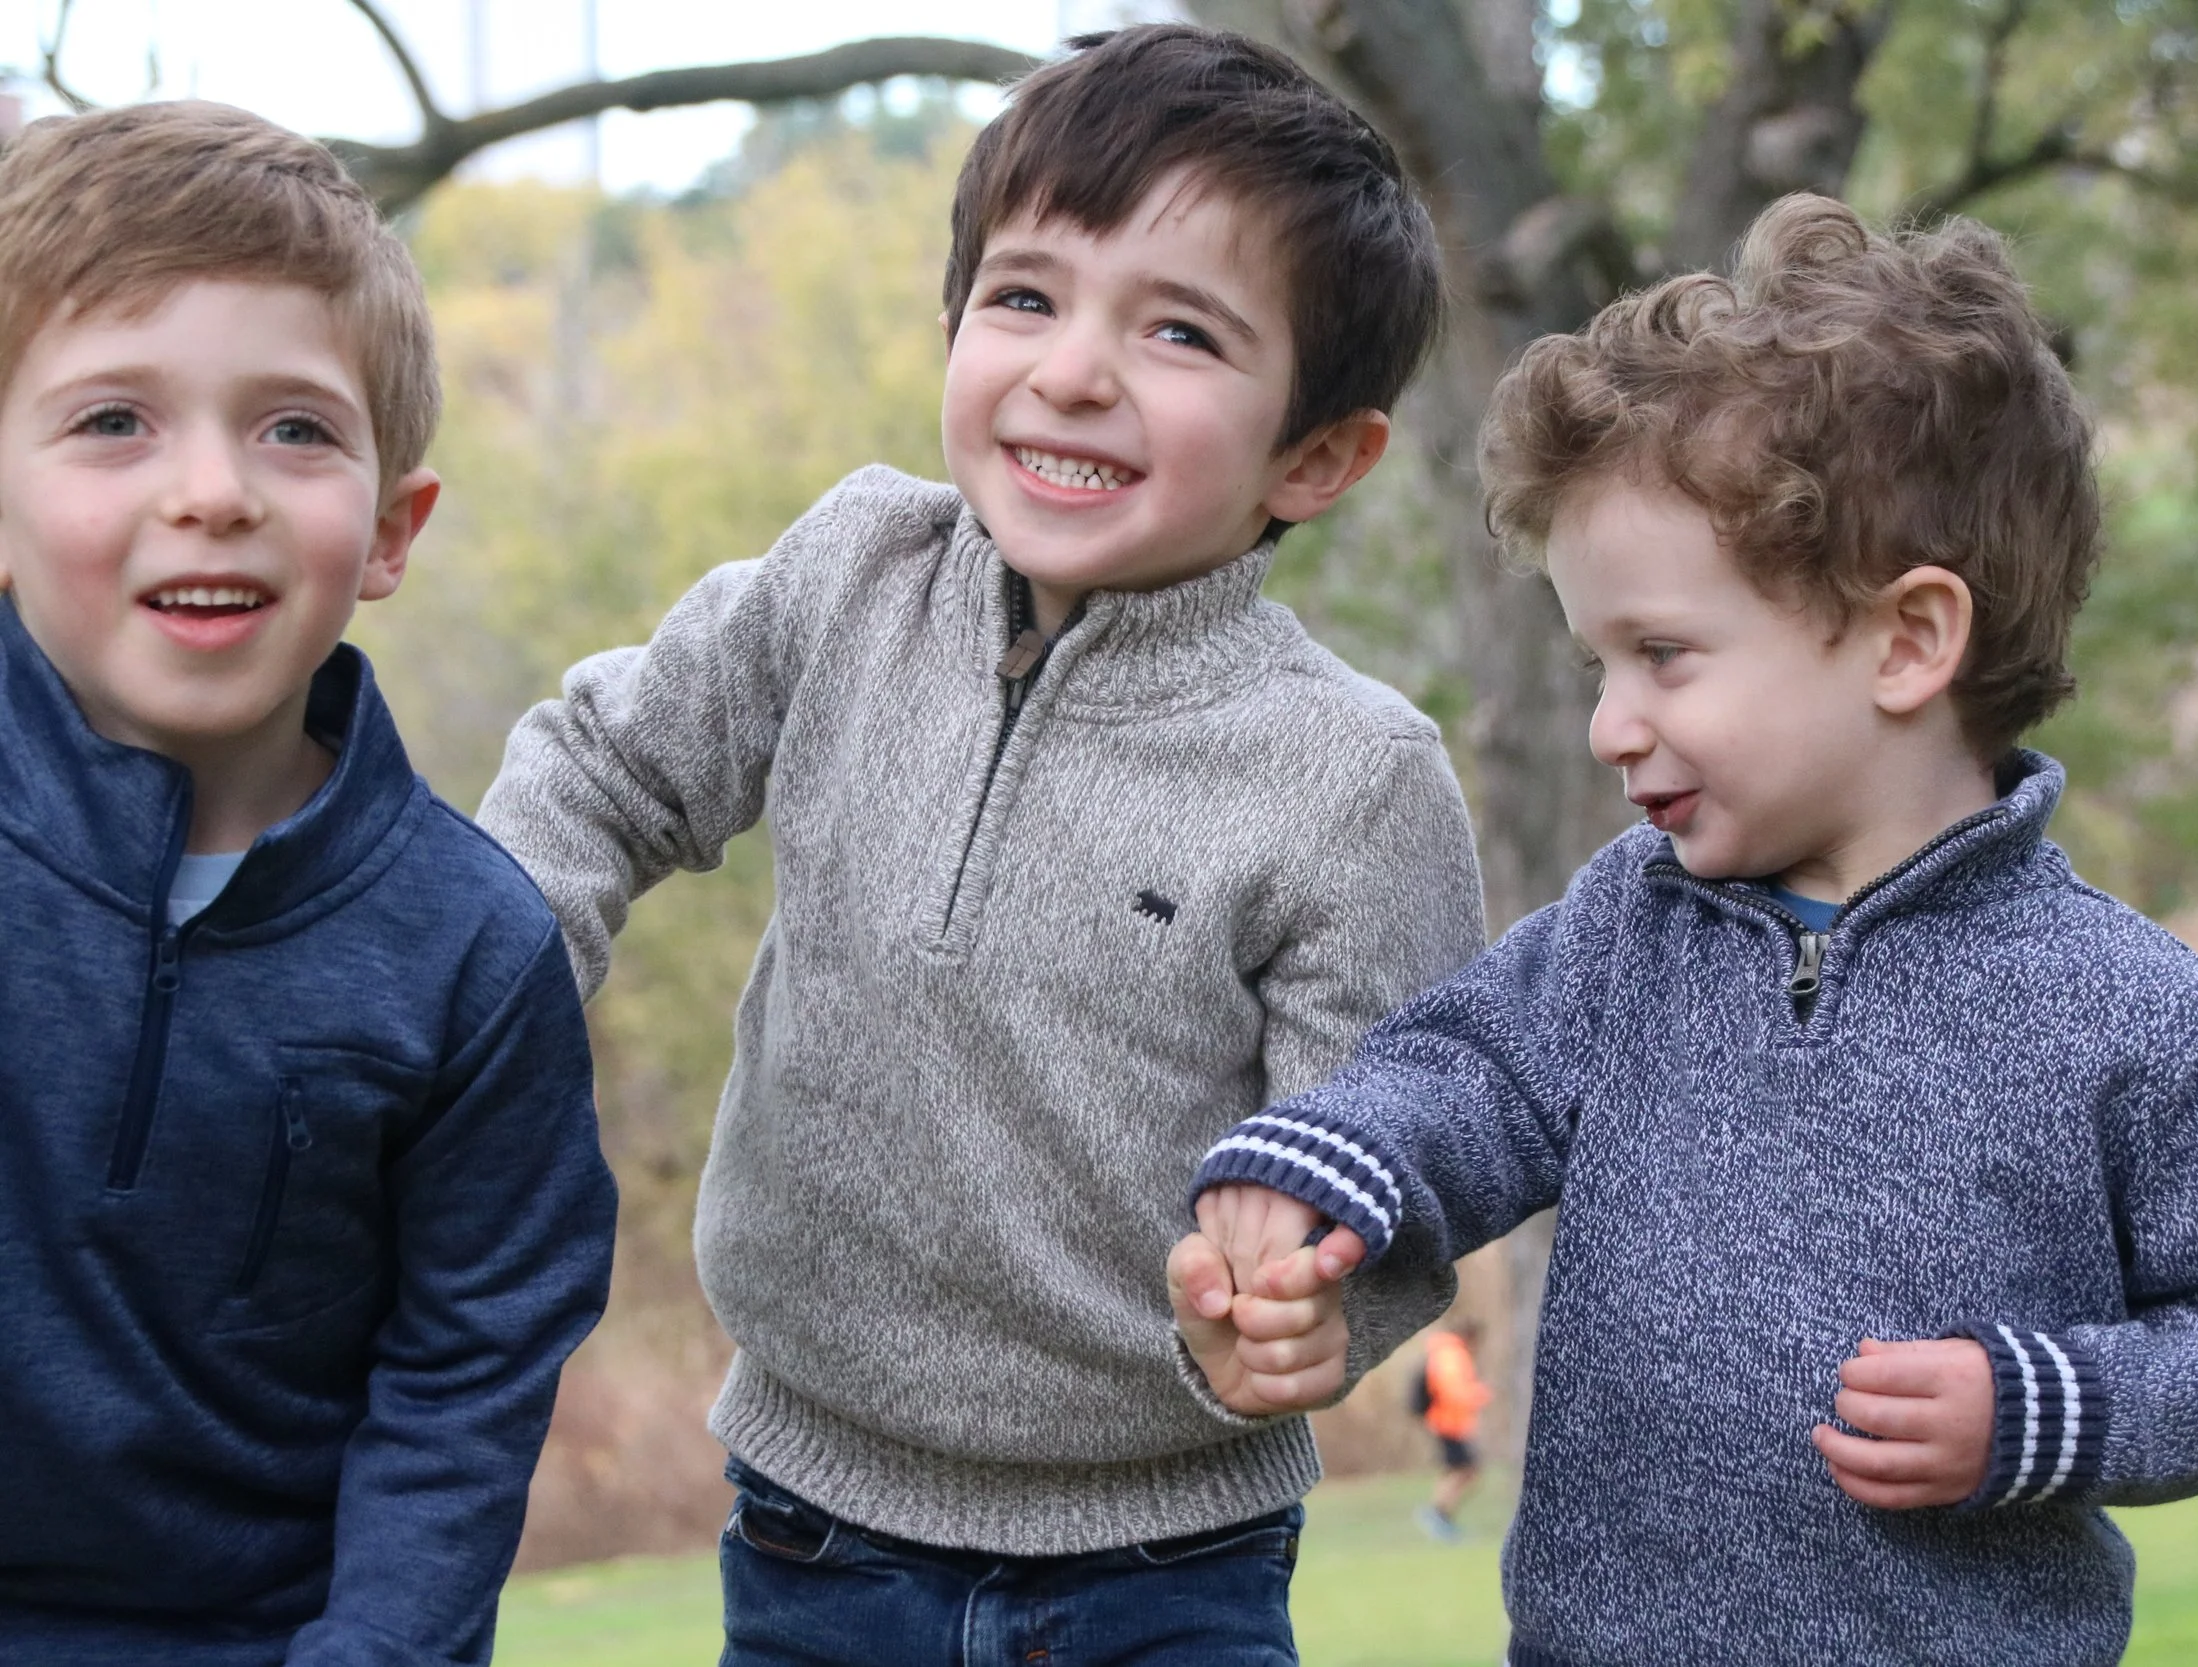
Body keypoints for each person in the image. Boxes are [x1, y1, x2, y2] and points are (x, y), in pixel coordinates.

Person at [1168, 195, 2198, 1665]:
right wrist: (1311, 1179)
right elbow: (1461, 1079)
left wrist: (2044, 1404)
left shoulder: (2128, 1010)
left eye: (1664, 654)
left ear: (1908, 640)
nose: (1614, 722)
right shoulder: (1632, 926)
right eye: (1599, 659)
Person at [476, 25, 1483, 1665]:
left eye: (1179, 331)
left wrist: (1313, 1303)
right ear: (952, 325)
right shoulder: (845, 579)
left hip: (1167, 1556)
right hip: (811, 1521)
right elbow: (600, 772)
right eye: (1024, 297)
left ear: (1318, 454)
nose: (1073, 369)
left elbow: (1408, 1137)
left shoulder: (1351, 777)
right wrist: (474, 994)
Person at [0, 104, 617, 1665]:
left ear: (393, 529)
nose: (213, 489)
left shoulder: (471, 951)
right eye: (111, 422)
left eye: (294, 428)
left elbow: (465, 1378)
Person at [1412, 1317, 1493, 1541]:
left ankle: (1441, 1516)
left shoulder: (1447, 1352)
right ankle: (1436, 1514)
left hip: (1451, 1422)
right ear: (1470, 1337)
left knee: (1460, 1471)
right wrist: (1479, 1394)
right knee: (1465, 1471)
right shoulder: (1451, 1355)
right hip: (1448, 1423)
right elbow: (1453, 1391)